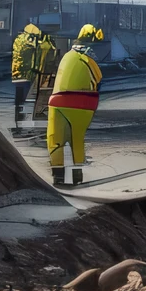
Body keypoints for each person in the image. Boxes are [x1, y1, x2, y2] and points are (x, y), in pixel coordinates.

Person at [48, 24, 104, 187]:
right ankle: (76, 176)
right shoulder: (89, 59)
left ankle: (58, 176)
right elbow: (98, 80)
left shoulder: (66, 56)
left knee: (56, 138)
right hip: (82, 103)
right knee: (76, 140)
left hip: (56, 101)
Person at [10, 24, 41, 132]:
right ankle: (21, 121)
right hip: (26, 74)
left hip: (16, 74)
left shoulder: (18, 39)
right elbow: (35, 50)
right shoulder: (29, 41)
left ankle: (17, 120)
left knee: (19, 99)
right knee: (25, 98)